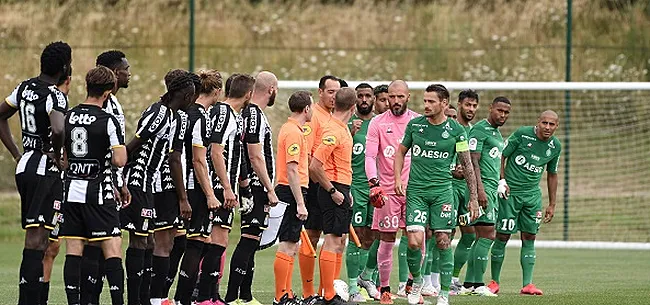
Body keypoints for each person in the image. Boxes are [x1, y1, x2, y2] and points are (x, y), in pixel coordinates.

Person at [394, 84, 480, 305]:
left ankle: (443, 293)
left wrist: (473, 198)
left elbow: (467, 165)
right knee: (414, 242)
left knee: (443, 241)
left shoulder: (456, 130)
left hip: (443, 193)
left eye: (431, 101)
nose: (426, 105)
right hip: (417, 192)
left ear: (444, 103)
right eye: (424, 101)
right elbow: (401, 152)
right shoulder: (415, 126)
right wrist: (397, 179)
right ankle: (417, 284)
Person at [0, 41, 71, 305]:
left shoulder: (24, 87)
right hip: (44, 169)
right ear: (65, 67)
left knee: (39, 235)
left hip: (25, 164)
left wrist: (17, 154)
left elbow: (1, 114)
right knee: (37, 237)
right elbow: (58, 129)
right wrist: (58, 153)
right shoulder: (56, 95)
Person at [121, 71, 195, 305]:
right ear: (185, 94)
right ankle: (135, 300)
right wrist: (115, 177)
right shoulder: (158, 113)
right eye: (192, 95)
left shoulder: (180, 118)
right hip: (137, 180)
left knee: (152, 242)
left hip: (153, 185)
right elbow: (131, 146)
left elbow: (174, 157)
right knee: (140, 241)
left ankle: (149, 299)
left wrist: (181, 197)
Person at [59, 65, 127, 305]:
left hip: (71, 192)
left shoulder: (69, 115)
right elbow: (119, 160)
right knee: (112, 247)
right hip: (98, 193)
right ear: (108, 92)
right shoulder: (107, 119)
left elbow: (64, 159)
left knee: (74, 248)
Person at [193, 74, 254, 305]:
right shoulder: (226, 114)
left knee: (216, 240)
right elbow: (215, 151)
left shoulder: (226, 113)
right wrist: (227, 188)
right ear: (248, 94)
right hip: (219, 186)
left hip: (221, 184)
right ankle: (204, 295)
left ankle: (209, 293)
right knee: (216, 240)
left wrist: (241, 185)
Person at [358, 80, 419, 304]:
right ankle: (384, 289)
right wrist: (374, 183)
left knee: (416, 239)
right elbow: (370, 157)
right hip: (387, 192)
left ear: (408, 97)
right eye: (392, 97)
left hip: (414, 192)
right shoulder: (377, 123)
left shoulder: (418, 122)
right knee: (387, 238)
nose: (395, 101)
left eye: (400, 97)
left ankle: (414, 287)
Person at [487, 110, 561, 296]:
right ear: (538, 122)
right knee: (502, 236)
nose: (547, 127)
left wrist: (552, 204)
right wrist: (501, 180)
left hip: (532, 197)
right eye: (545, 123)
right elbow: (501, 156)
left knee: (529, 237)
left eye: (552, 124)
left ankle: (527, 284)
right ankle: (494, 282)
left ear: (556, 126)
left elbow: (552, 174)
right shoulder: (521, 134)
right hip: (510, 195)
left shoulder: (555, 146)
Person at [80, 49, 132, 305]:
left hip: (109, 183)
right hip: (98, 185)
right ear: (113, 73)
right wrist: (113, 179)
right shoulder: (101, 106)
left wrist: (120, 181)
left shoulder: (114, 104)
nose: (129, 73)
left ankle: (91, 296)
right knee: (100, 242)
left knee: (101, 242)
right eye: (125, 69)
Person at [224, 71, 279, 305]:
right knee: (248, 239)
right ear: (271, 90)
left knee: (252, 239)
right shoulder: (254, 114)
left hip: (252, 186)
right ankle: (233, 296)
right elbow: (255, 155)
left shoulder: (249, 113)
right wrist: (269, 188)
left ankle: (245, 295)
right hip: (255, 188)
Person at [309, 87, 357, 305]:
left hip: (342, 188)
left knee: (338, 242)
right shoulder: (333, 131)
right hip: (333, 189)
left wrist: (347, 191)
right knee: (331, 240)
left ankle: (330, 291)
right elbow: (315, 165)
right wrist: (333, 191)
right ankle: (327, 295)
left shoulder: (342, 128)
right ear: (353, 108)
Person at [460, 97, 511, 297]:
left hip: (491, 189)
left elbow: (496, 160)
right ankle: (478, 284)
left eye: (506, 112)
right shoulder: (479, 130)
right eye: (500, 110)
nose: (503, 115)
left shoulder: (496, 133)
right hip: (482, 190)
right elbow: (472, 161)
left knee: (481, 236)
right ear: (491, 109)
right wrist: (479, 190)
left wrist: (501, 181)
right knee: (488, 235)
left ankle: (469, 285)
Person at [301, 75, 340, 304]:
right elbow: (307, 154)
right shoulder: (314, 116)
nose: (334, 96)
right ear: (320, 92)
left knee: (336, 236)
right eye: (330, 91)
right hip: (316, 183)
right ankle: (308, 293)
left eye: (337, 91)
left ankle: (330, 291)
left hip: (332, 182)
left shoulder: (335, 118)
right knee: (313, 235)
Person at [272, 91, 312, 305]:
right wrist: (300, 202)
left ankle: (285, 294)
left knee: (292, 244)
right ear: (306, 108)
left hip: (290, 190)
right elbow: (292, 170)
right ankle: (280, 296)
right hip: (290, 191)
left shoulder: (293, 129)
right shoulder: (293, 132)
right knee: (287, 244)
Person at [40, 62, 72, 305]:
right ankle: (37, 295)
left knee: (53, 245)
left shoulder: (67, 110)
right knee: (44, 243)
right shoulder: (53, 104)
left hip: (61, 186)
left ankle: (42, 296)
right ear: (67, 82)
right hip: (47, 181)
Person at [346, 83, 379, 302]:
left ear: (374, 99)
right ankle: (351, 288)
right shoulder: (347, 123)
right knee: (356, 236)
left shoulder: (379, 124)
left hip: (376, 187)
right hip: (355, 187)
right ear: (355, 99)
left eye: (368, 96)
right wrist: (349, 134)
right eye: (361, 96)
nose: (364, 99)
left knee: (373, 235)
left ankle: (365, 277)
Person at [449, 90, 479, 293]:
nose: (471, 109)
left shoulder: (474, 130)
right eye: (467, 105)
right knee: (444, 234)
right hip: (449, 186)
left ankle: (452, 277)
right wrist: (452, 170)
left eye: (474, 106)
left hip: (466, 189)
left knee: (469, 234)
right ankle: (430, 280)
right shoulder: (449, 126)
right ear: (459, 104)